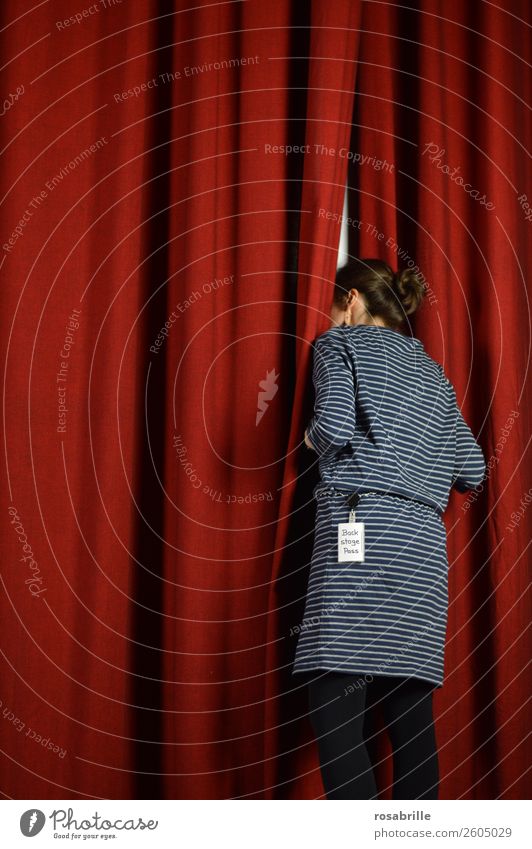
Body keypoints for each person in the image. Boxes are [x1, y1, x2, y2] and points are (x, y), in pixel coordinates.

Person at [292, 258, 486, 799]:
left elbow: (330, 425)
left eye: (334, 307)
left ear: (351, 300)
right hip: (422, 554)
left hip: (363, 534)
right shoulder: (433, 373)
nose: (331, 318)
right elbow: (473, 469)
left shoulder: (339, 346)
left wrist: (310, 443)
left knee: (335, 705)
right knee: (411, 722)